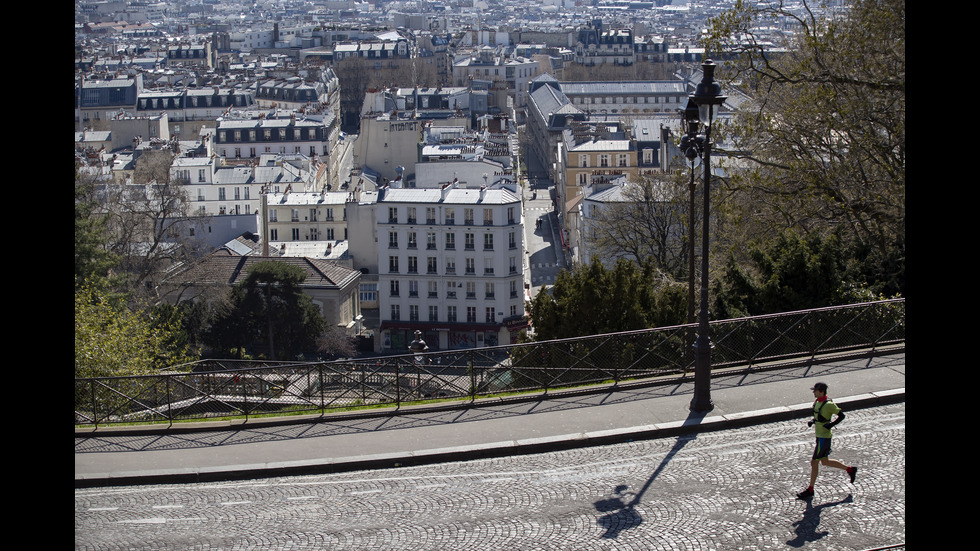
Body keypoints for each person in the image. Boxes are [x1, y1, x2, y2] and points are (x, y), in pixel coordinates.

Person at [797, 382, 857, 499]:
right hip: (819, 436)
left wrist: (831, 425)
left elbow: (842, 416)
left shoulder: (829, 404)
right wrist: (813, 421)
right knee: (825, 462)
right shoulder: (817, 402)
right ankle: (850, 469)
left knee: (814, 462)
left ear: (822, 392)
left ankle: (810, 489)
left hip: (824, 438)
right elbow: (820, 416)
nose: (813, 392)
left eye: (815, 390)